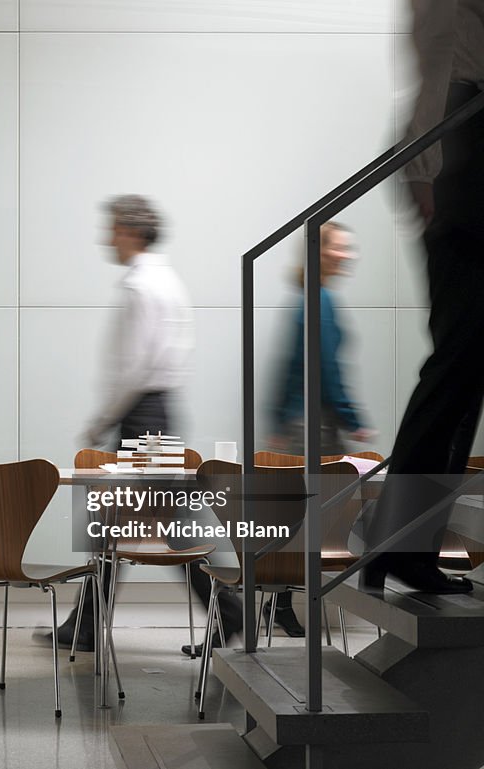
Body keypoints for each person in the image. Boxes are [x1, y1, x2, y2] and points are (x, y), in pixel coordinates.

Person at [361, 0, 484, 594]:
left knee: (459, 370)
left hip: (450, 154)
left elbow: (430, 65)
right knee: (457, 367)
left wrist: (416, 172)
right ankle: (398, 541)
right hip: (465, 151)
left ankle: (402, 542)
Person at [45, 194, 197, 652]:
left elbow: (132, 367)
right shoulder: (167, 280)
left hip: (141, 418)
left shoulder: (139, 287)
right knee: (127, 522)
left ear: (131, 231)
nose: (106, 237)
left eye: (111, 228)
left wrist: (102, 420)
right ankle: (86, 624)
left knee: (151, 524)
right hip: (157, 412)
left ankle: (229, 611)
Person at [265, 222, 376, 637]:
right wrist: (353, 419)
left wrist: (278, 419)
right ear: (320, 253)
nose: (348, 256)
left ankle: (281, 603)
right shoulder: (320, 300)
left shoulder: (307, 298)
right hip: (315, 427)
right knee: (312, 518)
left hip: (300, 423)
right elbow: (325, 369)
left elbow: (290, 365)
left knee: (299, 518)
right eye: (340, 248)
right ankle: (290, 602)